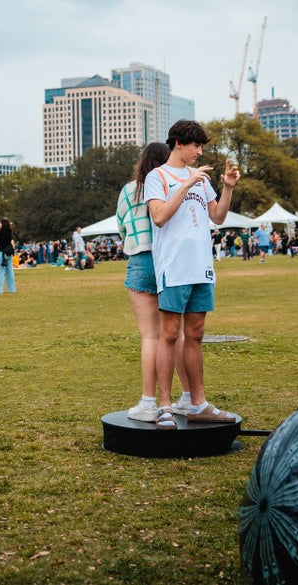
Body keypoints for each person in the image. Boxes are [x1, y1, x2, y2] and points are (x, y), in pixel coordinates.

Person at [145, 119, 241, 429]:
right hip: (173, 267)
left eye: (201, 146)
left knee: (196, 335)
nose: (199, 151)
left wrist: (226, 188)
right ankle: (164, 406)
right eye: (195, 145)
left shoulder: (202, 179)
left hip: (202, 266)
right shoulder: (156, 177)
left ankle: (198, 403)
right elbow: (158, 217)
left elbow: (217, 216)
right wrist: (185, 184)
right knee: (170, 334)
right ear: (178, 144)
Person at [118, 142, 195, 422]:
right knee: (177, 335)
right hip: (172, 261)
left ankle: (149, 402)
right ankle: (187, 398)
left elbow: (122, 226)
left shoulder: (129, 190)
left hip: (140, 260)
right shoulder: (173, 185)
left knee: (150, 336)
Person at [0, 218, 17, 294]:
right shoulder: (10, 233)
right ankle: (12, 289)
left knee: (0, 271)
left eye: (0, 223)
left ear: (2, 224)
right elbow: (11, 241)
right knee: (9, 271)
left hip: (1, 253)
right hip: (8, 253)